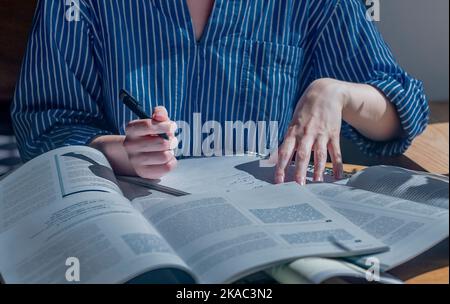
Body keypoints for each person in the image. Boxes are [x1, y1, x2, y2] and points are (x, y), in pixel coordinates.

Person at [11, 0, 429, 185]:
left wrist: (338, 93)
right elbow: (44, 123)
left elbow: (402, 115)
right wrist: (119, 151)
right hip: (125, 224)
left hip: (264, 236)